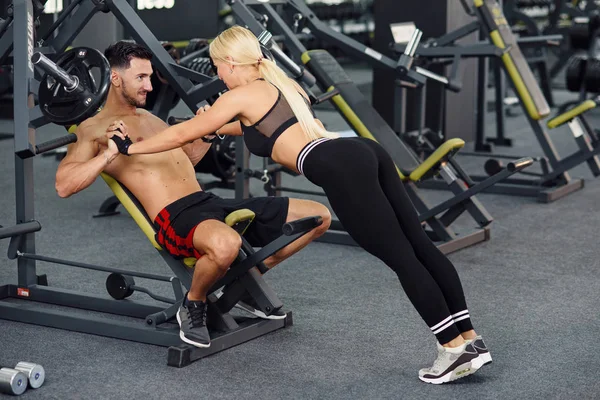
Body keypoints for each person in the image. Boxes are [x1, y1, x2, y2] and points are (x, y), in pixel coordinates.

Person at [106, 26, 491, 384]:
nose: (218, 75)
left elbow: (184, 134)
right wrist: (210, 120)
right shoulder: (278, 85)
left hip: (340, 168)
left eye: (218, 67)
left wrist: (131, 147)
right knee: (419, 245)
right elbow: (243, 127)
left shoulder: (238, 94)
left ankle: (452, 348)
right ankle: (470, 339)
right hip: (360, 151)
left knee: (402, 258)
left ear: (232, 63)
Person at [55, 41, 332, 350]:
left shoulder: (151, 119)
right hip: (175, 217)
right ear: (116, 78)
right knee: (228, 243)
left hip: (208, 202)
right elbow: (64, 185)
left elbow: (186, 161)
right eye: (141, 78)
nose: (149, 85)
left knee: (317, 217)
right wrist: (108, 154)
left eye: (150, 77)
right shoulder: (91, 129)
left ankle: (240, 288)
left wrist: (206, 133)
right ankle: (194, 303)